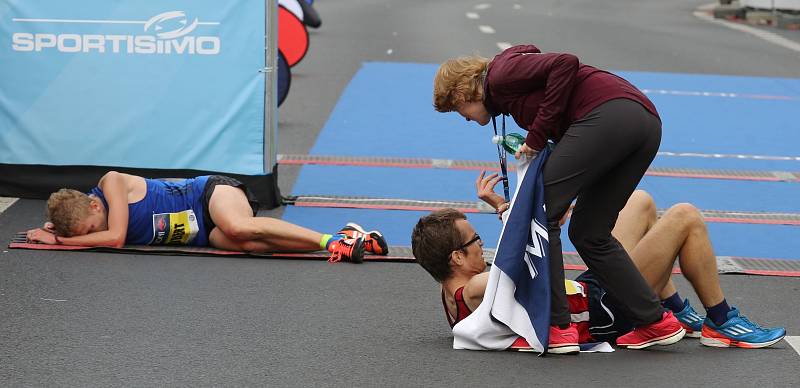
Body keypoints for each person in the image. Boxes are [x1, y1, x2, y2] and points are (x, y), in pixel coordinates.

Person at [433, 44, 675, 349]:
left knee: (542, 210)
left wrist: (536, 136)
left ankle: (558, 326)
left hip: (607, 115)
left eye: (458, 111)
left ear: (461, 94)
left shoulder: (498, 75)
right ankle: (655, 322)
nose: (465, 118)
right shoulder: (506, 81)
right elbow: (529, 50)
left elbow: (565, 63)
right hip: (643, 122)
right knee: (589, 232)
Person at [411, 184, 786, 351]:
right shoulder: (473, 289)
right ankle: (720, 322)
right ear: (456, 259)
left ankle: (672, 307)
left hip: (593, 290)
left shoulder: (451, 290)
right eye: (475, 242)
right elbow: (527, 259)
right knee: (685, 216)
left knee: (639, 202)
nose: (482, 246)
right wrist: (519, 213)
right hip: (608, 308)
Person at [25, 171, 388, 263]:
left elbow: (115, 236)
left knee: (237, 226)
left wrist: (61, 241)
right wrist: (57, 229)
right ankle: (349, 237)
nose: (96, 232)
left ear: (93, 204)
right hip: (202, 234)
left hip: (209, 195)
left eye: (93, 226)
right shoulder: (84, 215)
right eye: (89, 233)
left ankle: (333, 241)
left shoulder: (111, 184)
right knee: (252, 246)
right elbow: (88, 228)